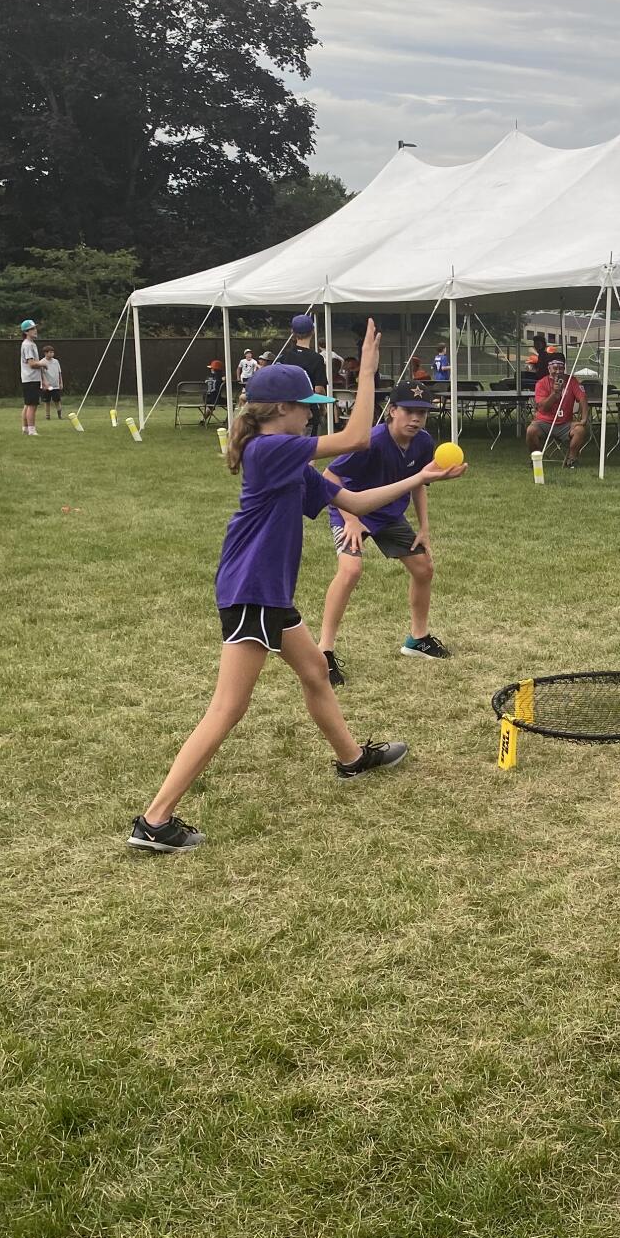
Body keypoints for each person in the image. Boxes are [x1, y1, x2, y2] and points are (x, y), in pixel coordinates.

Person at [128, 322, 466, 853]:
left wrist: (420, 478)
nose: (312, 411)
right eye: (306, 404)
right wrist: (371, 372)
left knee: (314, 671)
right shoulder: (270, 450)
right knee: (227, 709)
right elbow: (355, 439)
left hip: (270, 594)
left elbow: (354, 502)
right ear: (280, 409)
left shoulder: (289, 460)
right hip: (251, 591)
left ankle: (352, 759)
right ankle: (154, 821)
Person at [318, 379, 451, 684]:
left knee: (424, 568)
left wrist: (424, 528)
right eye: (409, 411)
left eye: (422, 412)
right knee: (350, 570)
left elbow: (419, 482)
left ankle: (417, 640)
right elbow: (330, 476)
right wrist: (350, 520)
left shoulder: (423, 442)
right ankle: (323, 653)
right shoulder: (371, 441)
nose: (416, 418)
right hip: (351, 509)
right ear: (392, 411)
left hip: (389, 515)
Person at [526, 353, 589, 467]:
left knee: (580, 430)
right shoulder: (541, 383)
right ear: (549, 368)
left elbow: (583, 398)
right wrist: (554, 394)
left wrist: (584, 419)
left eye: (561, 368)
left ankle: (572, 458)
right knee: (531, 431)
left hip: (565, 423)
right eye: (555, 368)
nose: (558, 371)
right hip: (544, 422)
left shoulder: (572, 381)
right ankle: (535, 458)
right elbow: (543, 407)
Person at [285, 314, 330, 435]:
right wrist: (323, 407)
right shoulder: (317, 358)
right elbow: (319, 389)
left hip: (288, 410)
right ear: (313, 332)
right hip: (308, 411)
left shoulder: (285, 357)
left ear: (292, 332)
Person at [18, 319, 44, 436]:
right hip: (31, 378)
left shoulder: (30, 344)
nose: (35, 330)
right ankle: (32, 430)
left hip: (29, 378)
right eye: (32, 329)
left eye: (35, 328)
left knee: (28, 404)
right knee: (32, 405)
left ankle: (25, 428)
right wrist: (43, 364)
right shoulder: (28, 345)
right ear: (26, 332)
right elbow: (32, 364)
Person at [40, 345, 64, 419]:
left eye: (53, 352)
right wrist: (43, 384)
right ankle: (47, 416)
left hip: (55, 385)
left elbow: (59, 372)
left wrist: (61, 383)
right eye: (50, 352)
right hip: (47, 386)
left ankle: (59, 415)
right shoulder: (41, 362)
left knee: (57, 400)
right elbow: (41, 374)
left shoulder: (56, 361)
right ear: (45, 353)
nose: (52, 354)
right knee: (47, 401)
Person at [201, 360, 225, 424]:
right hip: (215, 399)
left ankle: (203, 419)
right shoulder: (221, 378)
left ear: (213, 369)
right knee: (232, 403)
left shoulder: (207, 377)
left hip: (205, 399)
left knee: (210, 406)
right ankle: (228, 420)